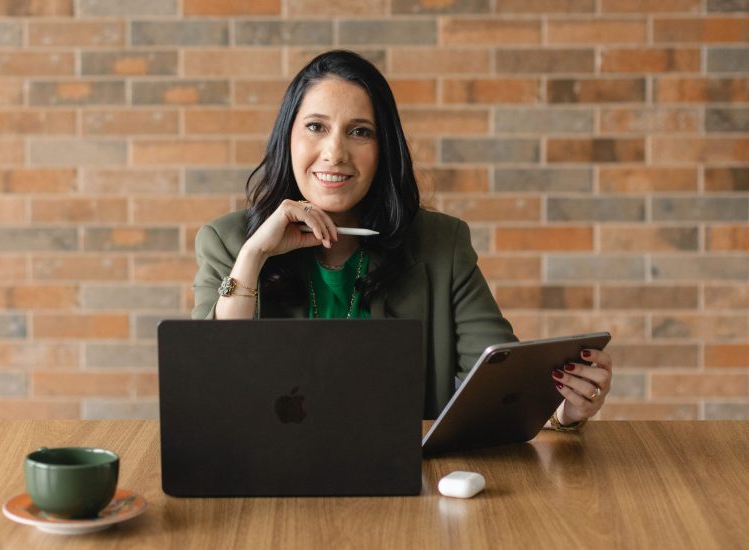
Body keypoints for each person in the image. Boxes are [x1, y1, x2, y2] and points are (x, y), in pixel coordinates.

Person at [192, 50, 612, 425]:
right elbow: (209, 387)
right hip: (271, 475)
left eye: (360, 131)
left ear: (383, 149)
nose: (335, 152)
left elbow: (495, 382)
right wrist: (253, 255)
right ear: (288, 137)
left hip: (409, 484)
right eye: (316, 127)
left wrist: (562, 410)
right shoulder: (227, 241)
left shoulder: (440, 243)